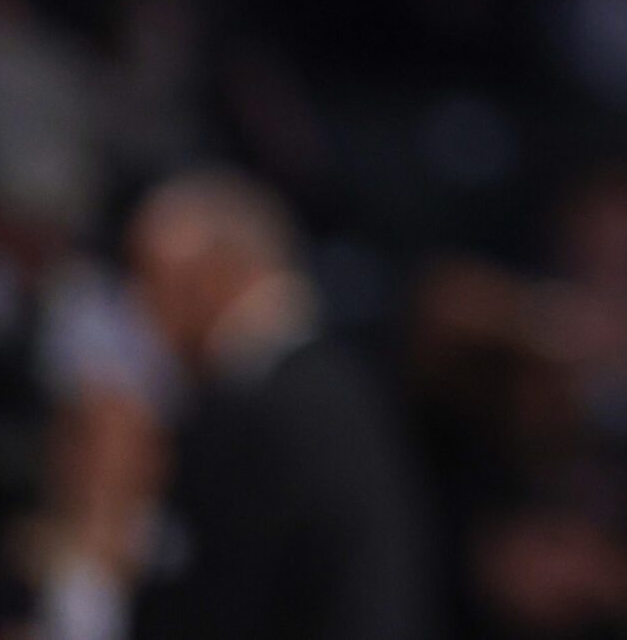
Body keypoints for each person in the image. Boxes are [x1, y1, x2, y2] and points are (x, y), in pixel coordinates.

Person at [126, 171, 432, 640]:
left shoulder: (256, 410)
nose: (144, 311)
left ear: (215, 275)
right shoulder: (339, 383)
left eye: (154, 281)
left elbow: (229, 600)